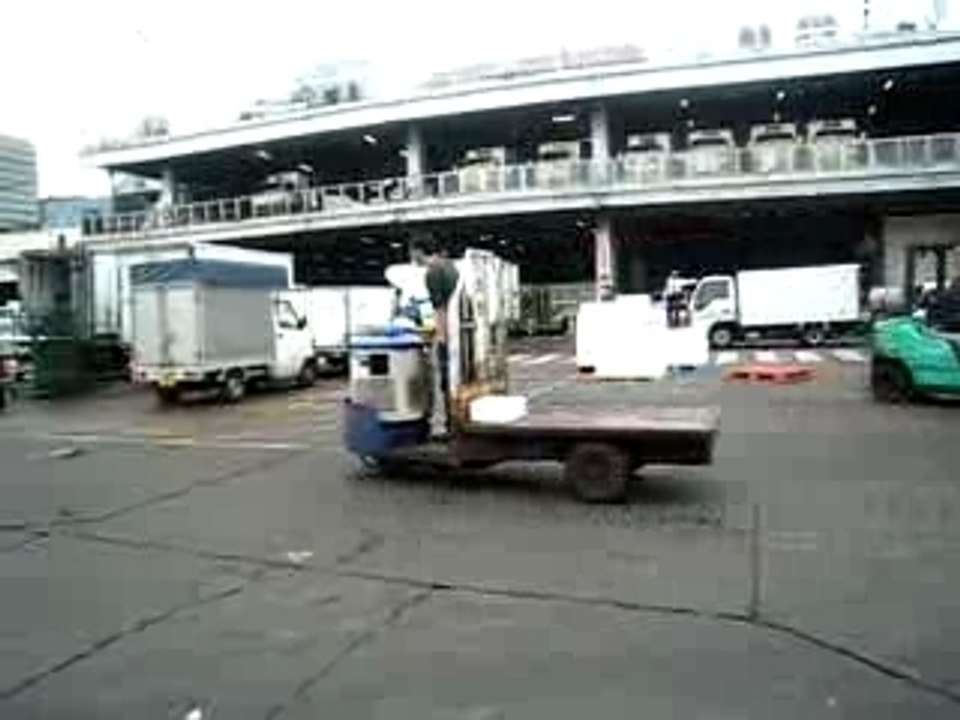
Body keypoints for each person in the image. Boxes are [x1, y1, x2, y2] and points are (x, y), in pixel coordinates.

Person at [411, 240, 460, 434]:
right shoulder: (450, 265)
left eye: (412, 253)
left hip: (449, 334)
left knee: (447, 382)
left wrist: (441, 338)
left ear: (418, 251)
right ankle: (456, 422)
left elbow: (440, 309)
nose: (413, 258)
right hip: (460, 331)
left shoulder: (432, 272)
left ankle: (451, 425)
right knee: (458, 380)